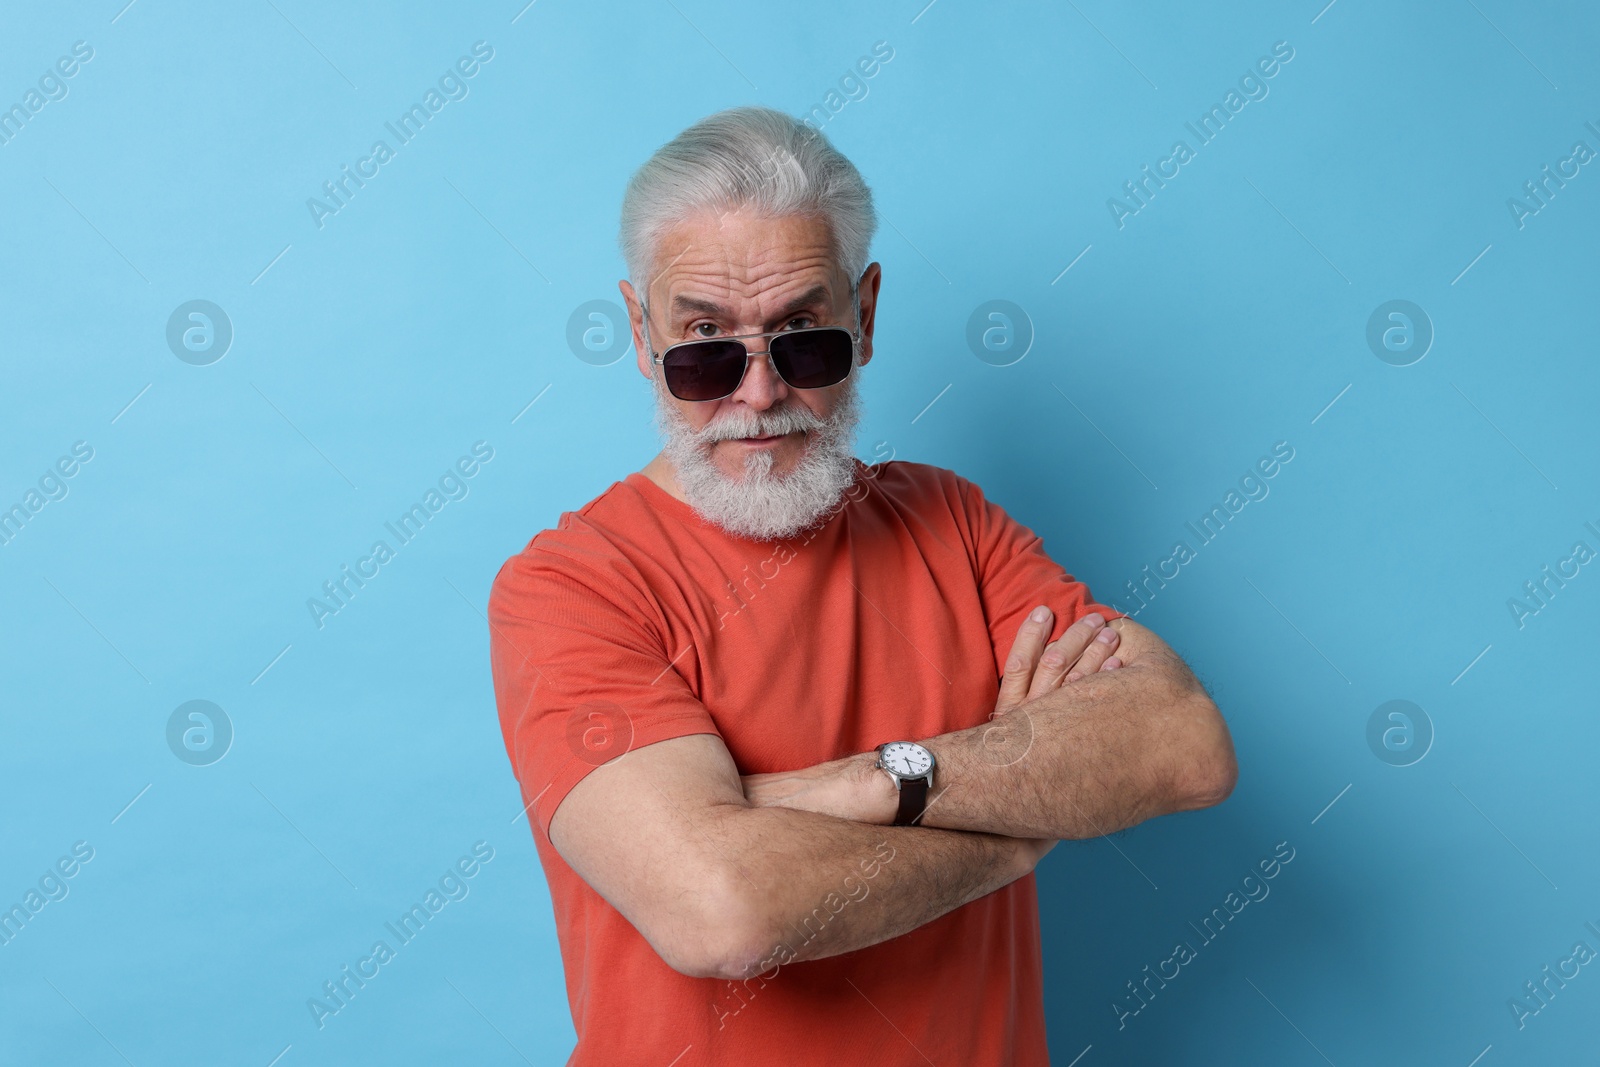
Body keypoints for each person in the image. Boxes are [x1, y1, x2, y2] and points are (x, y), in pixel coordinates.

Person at [488, 105, 1237, 1066]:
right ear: (641, 335)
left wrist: (853, 787)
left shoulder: (955, 525)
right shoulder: (571, 589)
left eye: (803, 335)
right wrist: (1015, 824)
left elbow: (1182, 743)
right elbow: (723, 912)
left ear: (866, 314)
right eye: (705, 343)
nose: (757, 396)